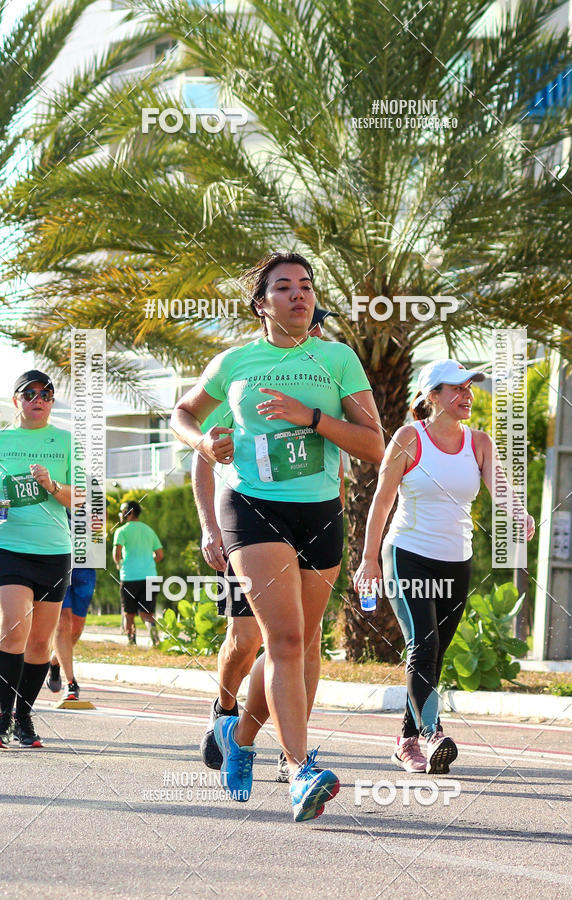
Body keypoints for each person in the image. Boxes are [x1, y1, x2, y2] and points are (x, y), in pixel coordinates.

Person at [171, 251, 384, 821]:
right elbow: (183, 413)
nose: (299, 294)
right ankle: (299, 769)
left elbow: (373, 446)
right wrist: (199, 444)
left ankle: (240, 736)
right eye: (284, 287)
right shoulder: (236, 361)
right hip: (251, 506)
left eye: (307, 286)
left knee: (304, 642)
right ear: (261, 303)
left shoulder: (337, 359)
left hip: (319, 511)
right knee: (284, 640)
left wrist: (309, 418)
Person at [354, 359, 535, 775]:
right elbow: (381, 501)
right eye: (457, 388)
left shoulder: (479, 443)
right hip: (407, 554)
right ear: (432, 395)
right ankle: (433, 732)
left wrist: (518, 514)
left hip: (457, 560)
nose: (467, 395)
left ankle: (405, 740)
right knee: (425, 643)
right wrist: (368, 559)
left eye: (470, 388)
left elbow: (501, 490)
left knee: (434, 654)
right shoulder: (408, 438)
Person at [193, 306, 344, 783]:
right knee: (247, 640)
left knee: (301, 642)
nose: (312, 328)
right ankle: (224, 708)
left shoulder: (330, 373)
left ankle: (288, 750)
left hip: (313, 519)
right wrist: (209, 528)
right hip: (249, 522)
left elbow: (351, 451)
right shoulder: (244, 373)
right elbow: (203, 455)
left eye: (318, 321)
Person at [0, 370, 73, 748]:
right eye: (29, 393)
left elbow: (80, 498)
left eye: (46, 393)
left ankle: (23, 716)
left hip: (54, 551)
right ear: (17, 400)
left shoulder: (64, 440)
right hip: (9, 547)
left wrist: (52, 485)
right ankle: (1, 716)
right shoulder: (2, 441)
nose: (38, 398)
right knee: (14, 629)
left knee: (41, 645)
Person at [112, 500, 164, 646]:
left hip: (129, 577)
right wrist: (147, 561)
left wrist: (119, 564)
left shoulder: (121, 531)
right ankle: (154, 637)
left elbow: (117, 555)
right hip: (150, 577)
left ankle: (132, 642)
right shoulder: (149, 530)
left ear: (130, 512)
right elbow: (159, 555)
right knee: (147, 613)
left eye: (122, 510)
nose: (120, 514)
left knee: (129, 614)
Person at [46, 565, 96, 701]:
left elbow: (99, 542)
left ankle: (55, 660)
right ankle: (71, 683)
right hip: (57, 559)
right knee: (62, 621)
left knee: (76, 627)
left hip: (85, 565)